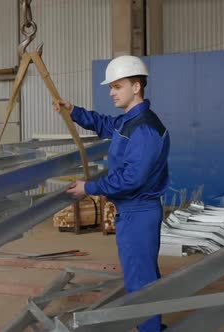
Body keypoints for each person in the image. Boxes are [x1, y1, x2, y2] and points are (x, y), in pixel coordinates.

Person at [54, 55, 169, 332]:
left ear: (136, 87)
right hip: (131, 211)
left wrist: (89, 188)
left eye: (117, 86)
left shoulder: (145, 130)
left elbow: (132, 179)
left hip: (138, 212)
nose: (112, 92)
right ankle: (151, 326)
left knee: (140, 281)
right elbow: (104, 124)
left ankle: (150, 329)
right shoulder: (129, 122)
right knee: (142, 276)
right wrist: (73, 111)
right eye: (111, 87)